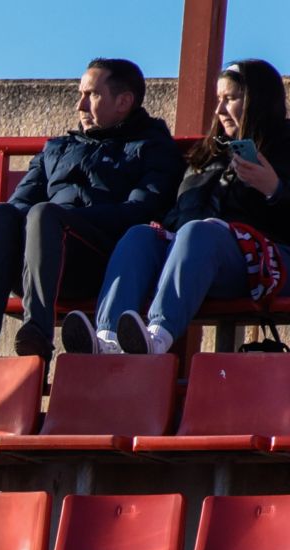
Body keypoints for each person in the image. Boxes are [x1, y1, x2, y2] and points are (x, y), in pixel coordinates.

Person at [0, 58, 182, 359]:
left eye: (92, 95)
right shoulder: (57, 148)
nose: (80, 105)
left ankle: (38, 335)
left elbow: (140, 210)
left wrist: (65, 219)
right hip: (35, 259)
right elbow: (20, 199)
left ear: (124, 101)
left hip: (99, 263)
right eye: (80, 94)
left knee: (45, 213)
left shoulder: (153, 148)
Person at [64, 59, 290, 356]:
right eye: (218, 100)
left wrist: (274, 189)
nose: (220, 111)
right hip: (194, 256)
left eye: (230, 100)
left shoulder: (284, 146)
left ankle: (157, 338)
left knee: (200, 232)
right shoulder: (207, 154)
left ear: (257, 101)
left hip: (263, 262)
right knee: (139, 236)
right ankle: (107, 337)